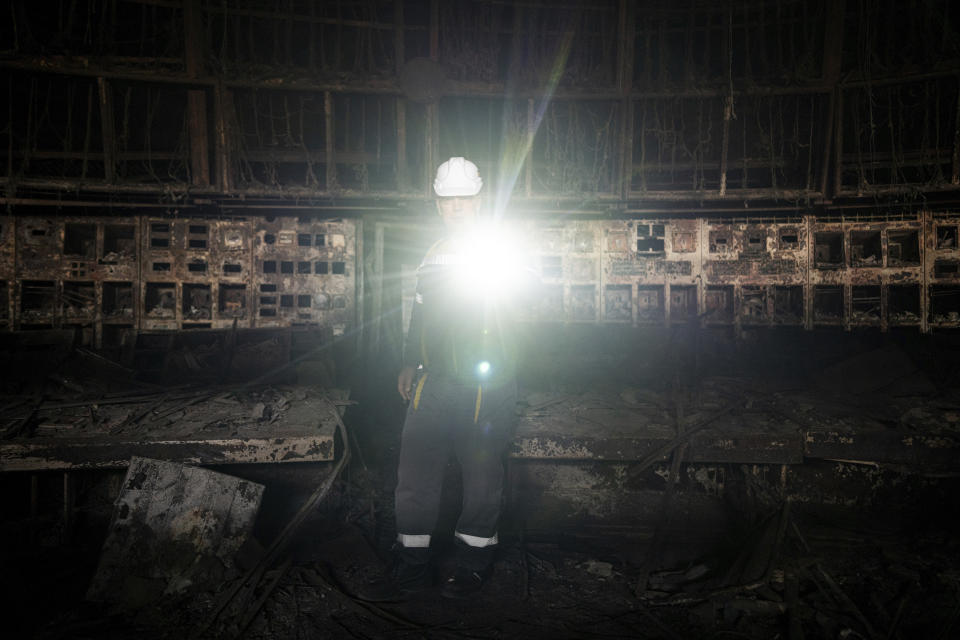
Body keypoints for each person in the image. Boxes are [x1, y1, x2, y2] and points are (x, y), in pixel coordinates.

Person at [361, 157, 530, 601]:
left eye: (463, 200)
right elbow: (420, 316)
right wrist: (409, 363)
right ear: (438, 204)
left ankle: (473, 563)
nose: (454, 208)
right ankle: (412, 564)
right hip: (433, 382)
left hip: (485, 383)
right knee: (415, 469)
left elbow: (518, 319)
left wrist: (498, 370)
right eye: (446, 200)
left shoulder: (501, 248)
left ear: (478, 201)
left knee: (480, 474)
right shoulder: (435, 251)